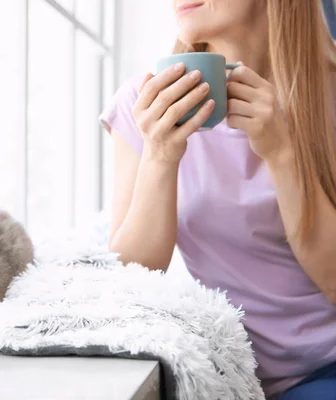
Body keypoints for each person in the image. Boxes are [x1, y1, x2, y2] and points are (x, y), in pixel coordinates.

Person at [99, 1, 336, 399]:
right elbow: (132, 279)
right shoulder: (146, 104)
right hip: (230, 376)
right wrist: (160, 156)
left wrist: (281, 154)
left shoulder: (326, 93)